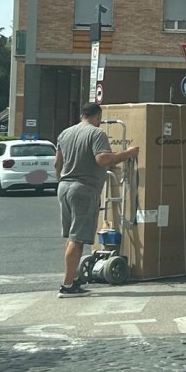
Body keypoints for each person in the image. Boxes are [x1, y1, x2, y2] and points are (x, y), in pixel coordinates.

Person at [54, 102, 139, 297]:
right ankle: (67, 285)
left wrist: (62, 181)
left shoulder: (65, 133)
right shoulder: (96, 133)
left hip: (64, 186)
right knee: (78, 238)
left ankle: (74, 278)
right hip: (84, 188)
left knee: (71, 236)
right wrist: (128, 153)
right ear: (98, 116)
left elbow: (58, 163)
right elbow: (102, 159)